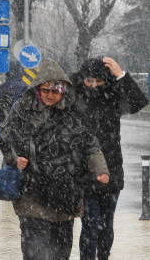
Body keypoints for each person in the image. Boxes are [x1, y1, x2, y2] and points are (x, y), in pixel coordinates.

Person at [0, 58, 110, 260]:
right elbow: (3, 136)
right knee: (36, 253)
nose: (50, 95)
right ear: (38, 88)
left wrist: (101, 170)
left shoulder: (74, 114)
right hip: (32, 193)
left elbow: (90, 144)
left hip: (65, 195)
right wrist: (14, 158)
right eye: (45, 90)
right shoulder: (22, 109)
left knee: (61, 254)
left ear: (63, 91)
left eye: (55, 91)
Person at [70, 57, 149, 260]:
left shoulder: (112, 96)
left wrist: (121, 76)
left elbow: (138, 103)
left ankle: (104, 256)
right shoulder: (74, 97)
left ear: (106, 80)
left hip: (112, 166)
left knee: (107, 224)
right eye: (89, 81)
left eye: (99, 81)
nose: (94, 85)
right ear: (83, 79)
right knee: (90, 223)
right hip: (84, 169)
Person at [0, 60, 28, 124]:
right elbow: (27, 105)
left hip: (2, 119)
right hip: (17, 119)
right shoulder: (24, 86)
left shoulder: (0, 87)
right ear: (20, 72)